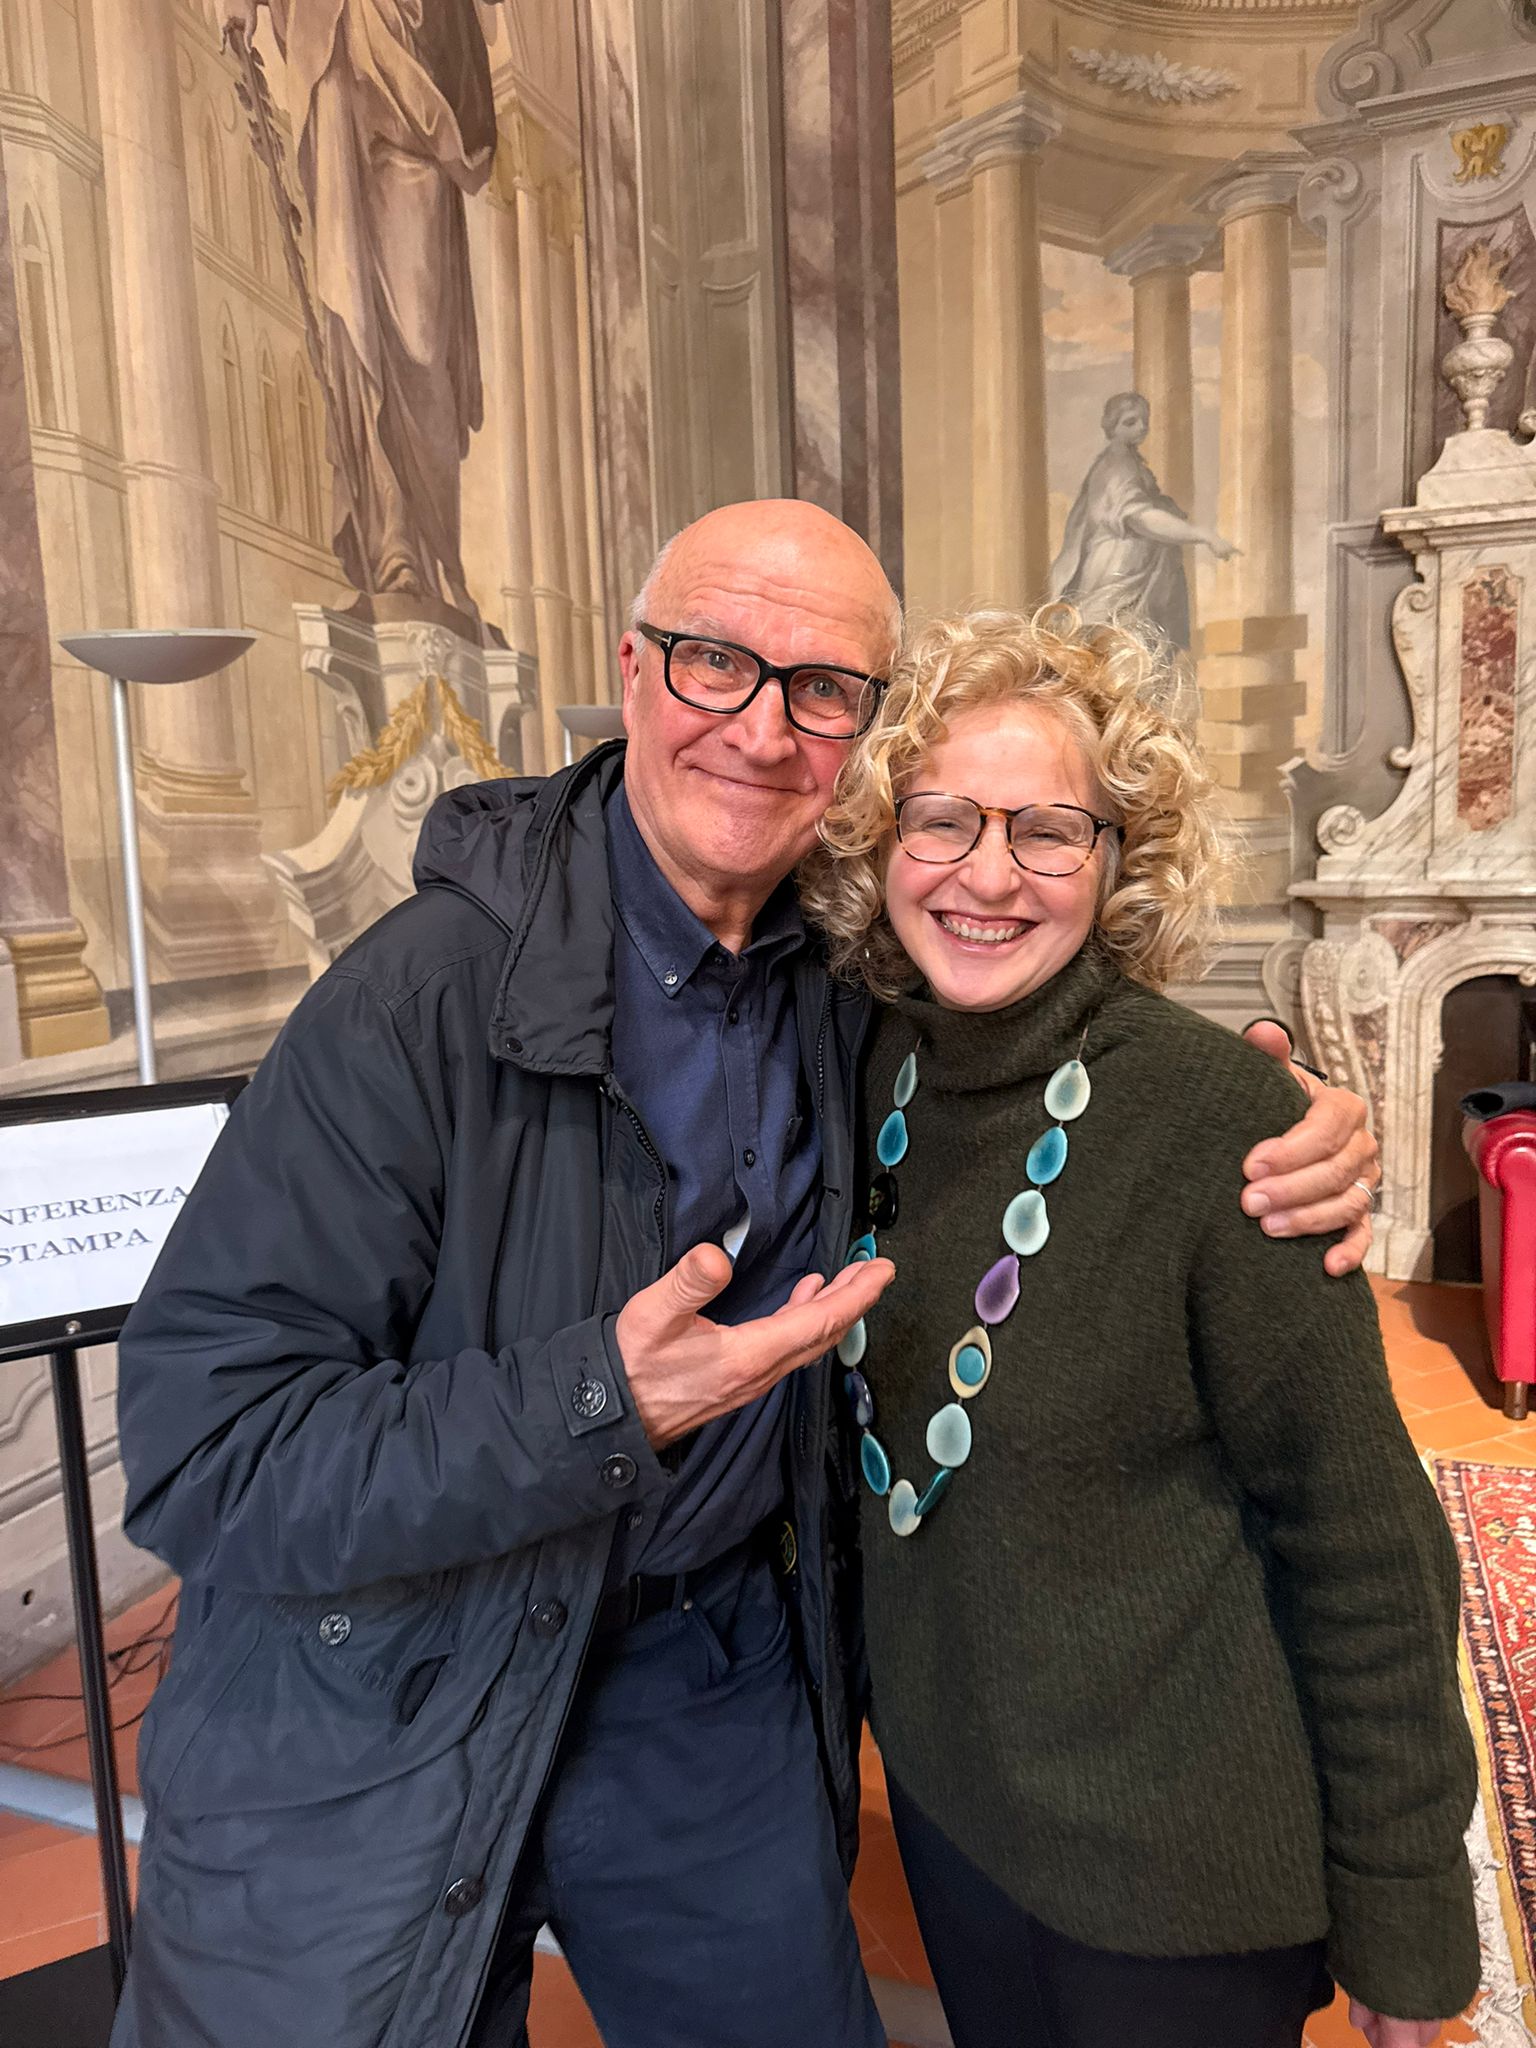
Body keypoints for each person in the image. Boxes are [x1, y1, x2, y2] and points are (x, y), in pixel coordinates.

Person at [112, 502, 1379, 2048]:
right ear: (635, 672)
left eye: (824, 689)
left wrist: (1283, 1111)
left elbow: (1054, 1057)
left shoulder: (849, 985)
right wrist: (600, 1404)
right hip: (383, 1680)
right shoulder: (413, 1001)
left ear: (866, 739)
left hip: (706, 1679)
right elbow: (205, 1450)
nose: (764, 730)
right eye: (717, 661)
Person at [801, 607, 1478, 2048]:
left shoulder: (1214, 1119)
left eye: (1049, 830)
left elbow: (1364, 1543)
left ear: (1116, 865)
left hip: (1181, 1882)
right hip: (960, 1824)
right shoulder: (869, 1067)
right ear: (875, 846)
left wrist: (1408, 1927)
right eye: (942, 821)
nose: (990, 872)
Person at [1049, 390, 1236, 652]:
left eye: (1144, 420)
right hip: (1119, 573)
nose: (1142, 427)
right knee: (1116, 649)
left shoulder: (1130, 463)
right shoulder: (1118, 466)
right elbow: (1141, 518)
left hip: (1135, 574)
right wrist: (1203, 535)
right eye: (1130, 421)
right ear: (1111, 426)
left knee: (1138, 653)